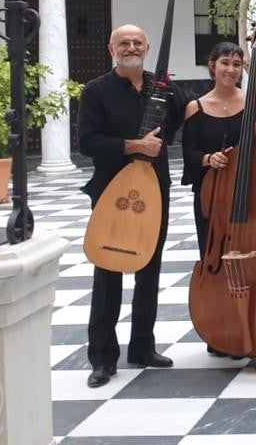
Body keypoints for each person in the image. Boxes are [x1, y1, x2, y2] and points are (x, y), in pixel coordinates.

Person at [78, 24, 184, 388]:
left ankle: (143, 347)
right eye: (124, 42)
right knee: (108, 270)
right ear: (112, 48)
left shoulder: (162, 88)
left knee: (149, 269)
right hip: (112, 191)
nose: (132, 47)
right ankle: (103, 358)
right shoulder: (96, 91)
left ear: (148, 46)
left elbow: (184, 115)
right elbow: (87, 143)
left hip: (154, 190)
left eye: (138, 42)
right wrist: (134, 147)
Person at [180, 42, 256, 357]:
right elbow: (189, 155)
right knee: (217, 261)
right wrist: (208, 159)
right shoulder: (196, 107)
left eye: (237, 64)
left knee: (255, 262)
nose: (231, 70)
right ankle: (221, 330)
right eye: (225, 63)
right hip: (214, 199)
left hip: (252, 199)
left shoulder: (254, 102)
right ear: (212, 66)